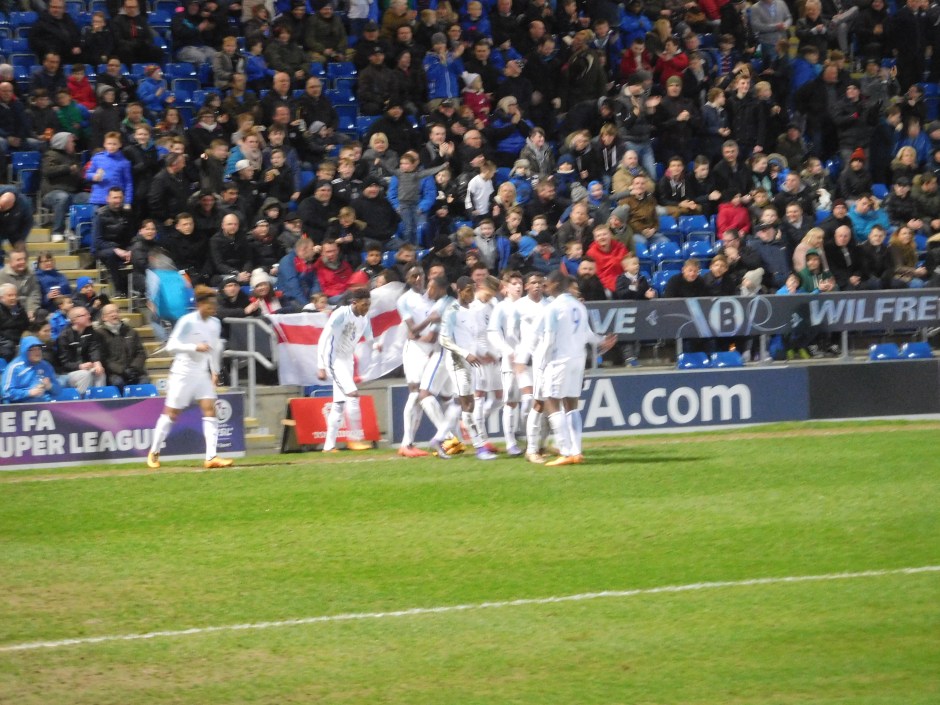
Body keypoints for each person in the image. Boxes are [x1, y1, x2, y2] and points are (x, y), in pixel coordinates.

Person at [147, 286, 233, 470]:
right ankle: (154, 451)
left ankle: (211, 457)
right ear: (200, 304)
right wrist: (194, 347)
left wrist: (215, 371)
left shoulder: (215, 323)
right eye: (210, 305)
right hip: (182, 372)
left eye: (214, 305)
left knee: (210, 409)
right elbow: (171, 346)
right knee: (172, 414)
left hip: (201, 373)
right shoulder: (187, 321)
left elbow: (214, 348)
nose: (213, 308)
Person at [537, 271, 616, 466]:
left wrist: (541, 364)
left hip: (559, 360)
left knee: (551, 401)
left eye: (547, 284)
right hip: (578, 360)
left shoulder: (553, 308)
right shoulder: (579, 306)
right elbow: (588, 335)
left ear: (556, 284)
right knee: (571, 405)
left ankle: (565, 451)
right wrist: (602, 341)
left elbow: (549, 340)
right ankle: (576, 451)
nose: (545, 287)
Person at [436, 276, 497, 461]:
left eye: (473, 290)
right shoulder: (452, 311)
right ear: (459, 291)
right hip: (457, 362)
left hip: (470, 362)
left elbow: (472, 338)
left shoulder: (472, 311)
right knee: (468, 405)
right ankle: (480, 447)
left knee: (463, 405)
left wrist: (485, 353)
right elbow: (444, 339)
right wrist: (465, 353)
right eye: (468, 291)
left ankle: (439, 439)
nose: (471, 294)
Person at [316, 288, 376, 453]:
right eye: (364, 305)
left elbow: (370, 339)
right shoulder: (341, 314)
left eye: (369, 305)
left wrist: (377, 347)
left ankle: (329, 446)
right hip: (334, 359)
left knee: (339, 403)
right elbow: (324, 338)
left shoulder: (364, 318)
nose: (367, 308)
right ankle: (355, 439)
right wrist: (321, 365)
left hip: (347, 360)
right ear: (354, 303)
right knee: (353, 395)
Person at [56, 305, 106, 394]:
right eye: (85, 315)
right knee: (85, 375)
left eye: (88, 314)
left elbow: (94, 348)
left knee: (99, 373)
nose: (89, 316)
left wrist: (97, 362)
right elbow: (64, 363)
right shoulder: (64, 337)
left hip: (86, 368)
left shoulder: (90, 332)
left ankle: (99, 398)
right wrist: (79, 366)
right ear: (75, 320)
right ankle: (83, 400)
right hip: (68, 373)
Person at [1, 335, 61, 404]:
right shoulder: (15, 367)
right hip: (22, 406)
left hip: (46, 404)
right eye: (33, 350)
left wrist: (50, 386)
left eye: (39, 349)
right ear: (25, 351)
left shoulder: (46, 366)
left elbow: (58, 391)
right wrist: (29, 393)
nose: (37, 352)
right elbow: (6, 392)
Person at [0, 250, 42, 319]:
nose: (23, 262)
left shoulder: (31, 274)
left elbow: (34, 294)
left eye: (24, 259)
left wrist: (31, 310)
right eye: (19, 260)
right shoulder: (2, 275)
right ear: (10, 262)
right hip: (8, 312)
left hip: (29, 310)